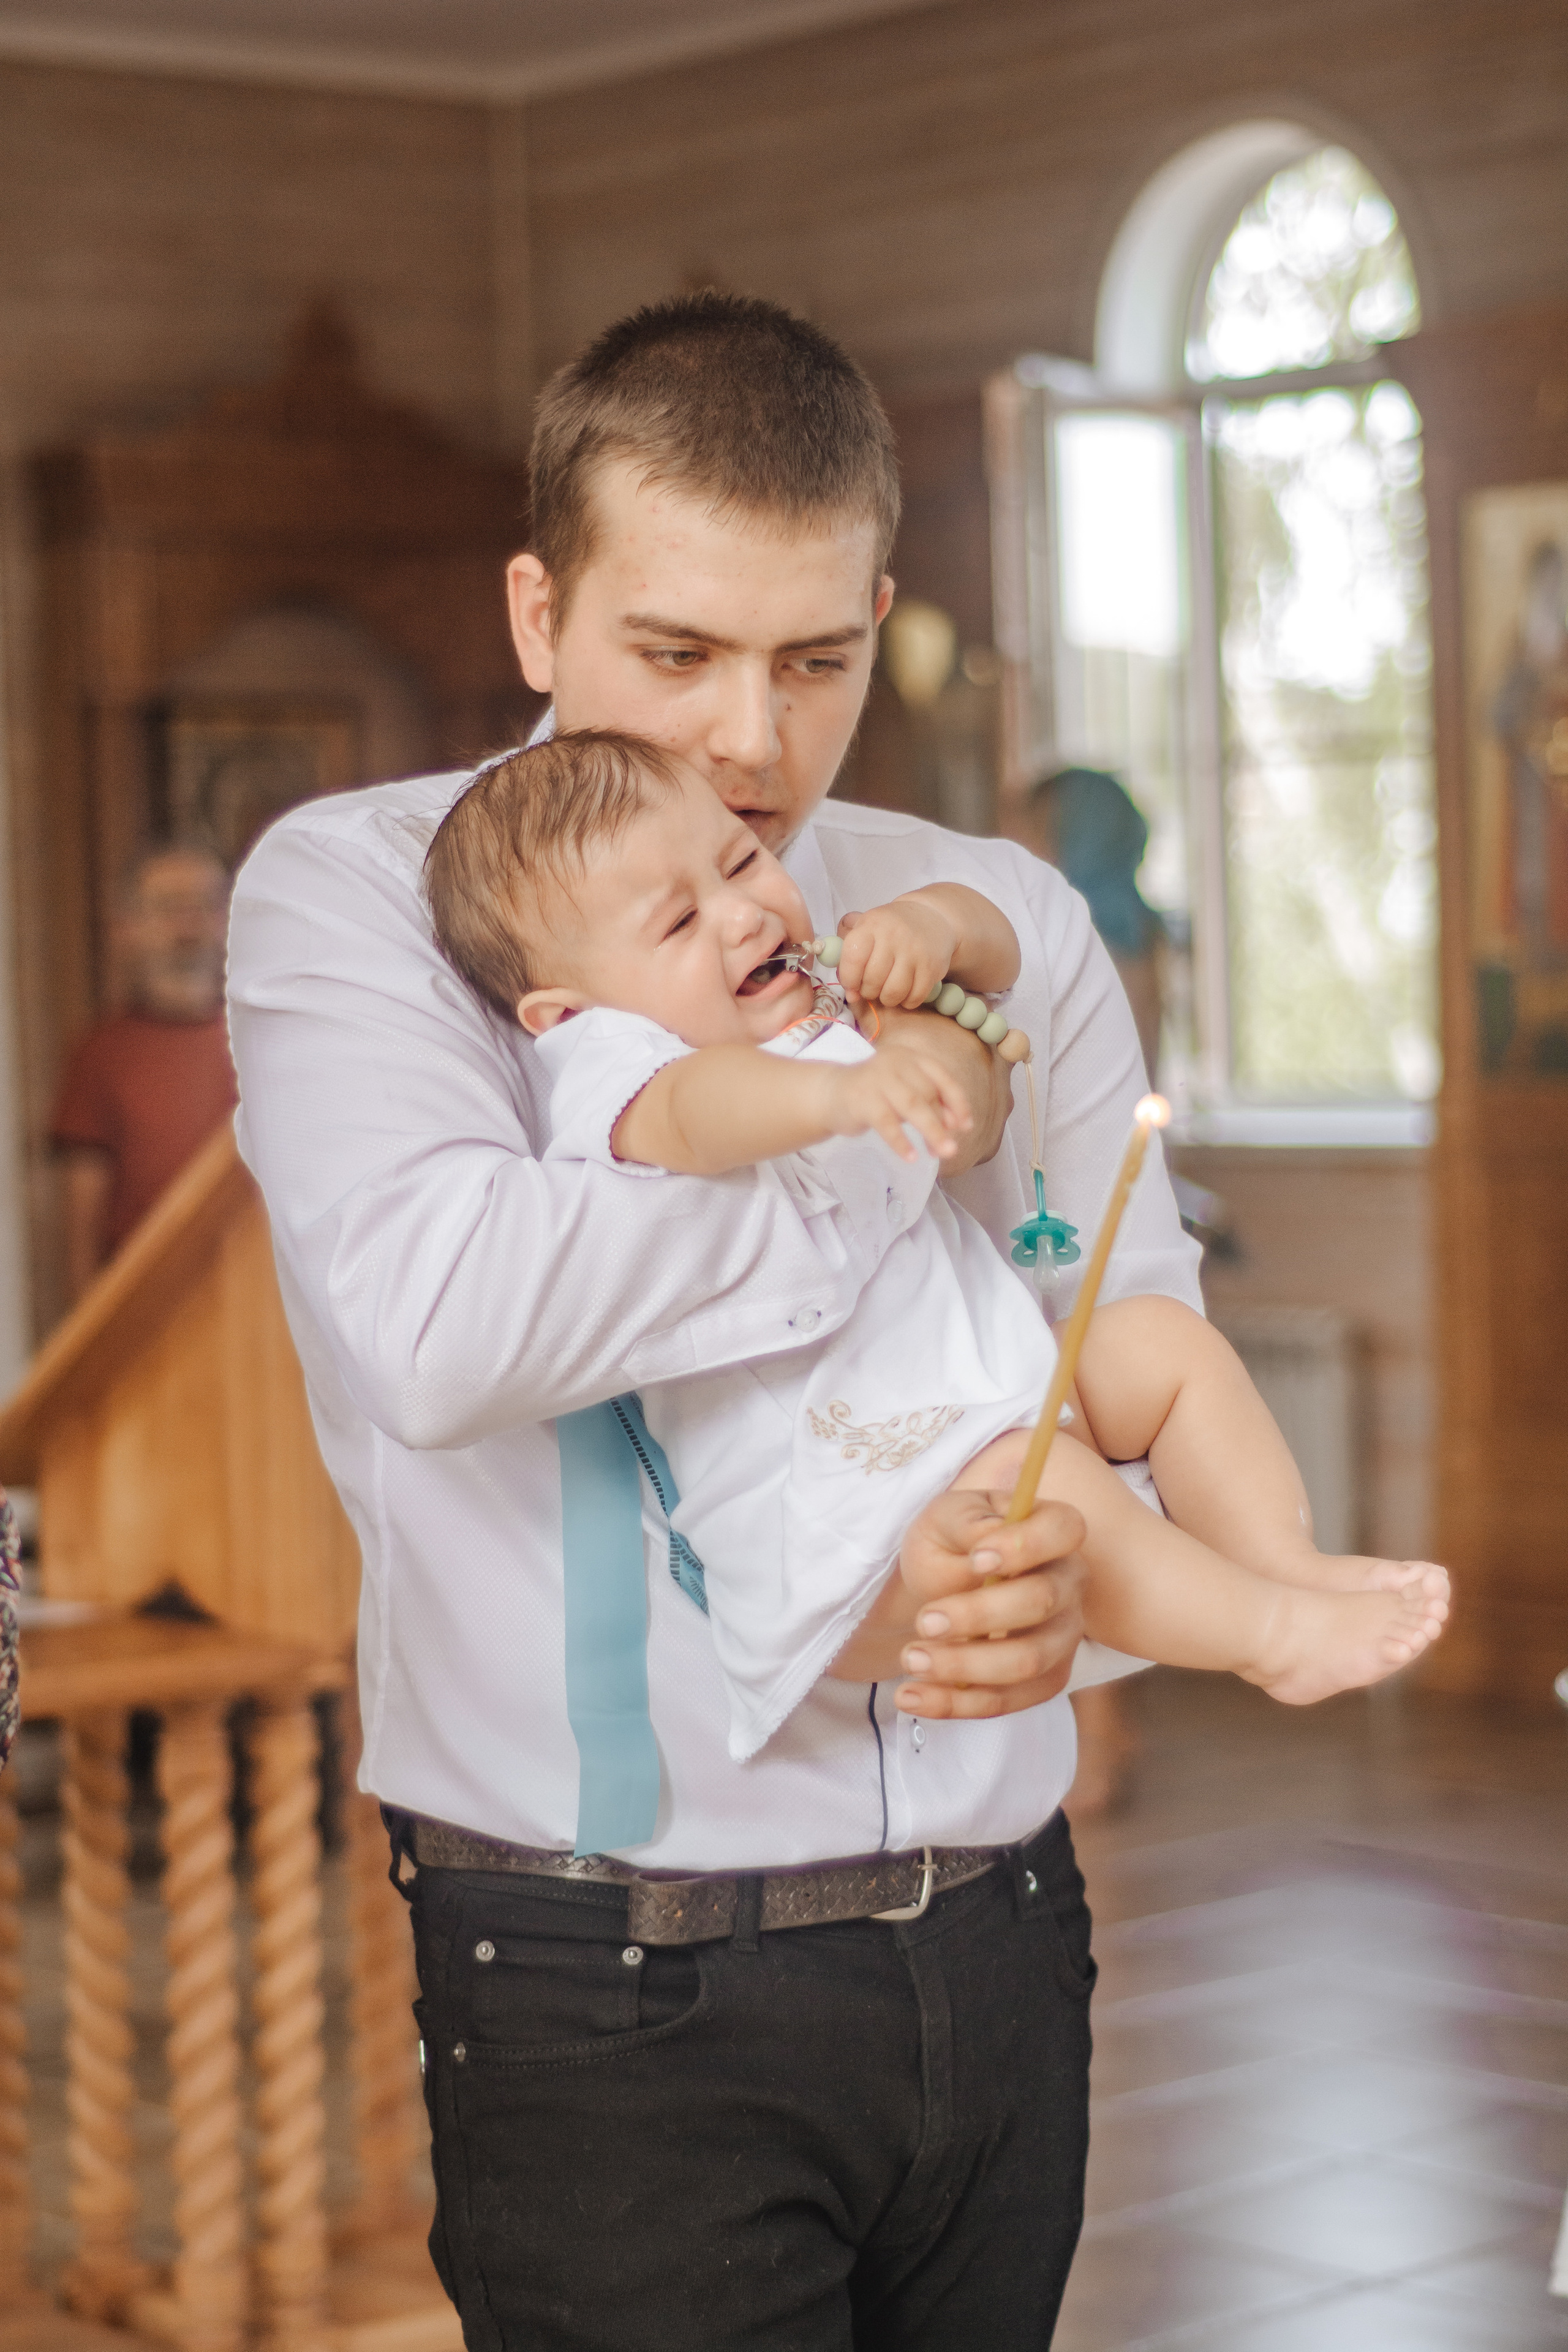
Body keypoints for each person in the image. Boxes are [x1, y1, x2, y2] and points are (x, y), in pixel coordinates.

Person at [227, 293, 1200, 2348]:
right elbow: (445, 1320)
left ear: (878, 614)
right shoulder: (365, 891)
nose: (752, 743)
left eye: (816, 660)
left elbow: (1119, 1341)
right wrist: (877, 1136)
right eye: (676, 655)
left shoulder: (991, 913)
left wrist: (1087, 1601)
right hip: (607, 1971)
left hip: (1004, 1933)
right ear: (536, 610)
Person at [426, 728, 1448, 1770]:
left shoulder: (811, 1002)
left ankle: (1279, 1566)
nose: (742, 912)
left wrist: (933, 925)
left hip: (987, 1393)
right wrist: (839, 1089)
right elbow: (697, 1112)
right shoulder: (612, 1063)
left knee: (1158, 1343)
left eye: (739, 860)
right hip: (843, 1519)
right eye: (682, 920)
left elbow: (1007, 954)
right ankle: (1270, 1643)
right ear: (566, 1010)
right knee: (1029, 1483)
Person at [51, 843, 235, 1303]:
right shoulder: (100, 1054)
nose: (189, 926)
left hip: (256, 1297)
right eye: (169, 908)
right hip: (146, 1305)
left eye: (206, 906)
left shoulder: (269, 1042)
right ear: (126, 929)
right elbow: (82, 1217)